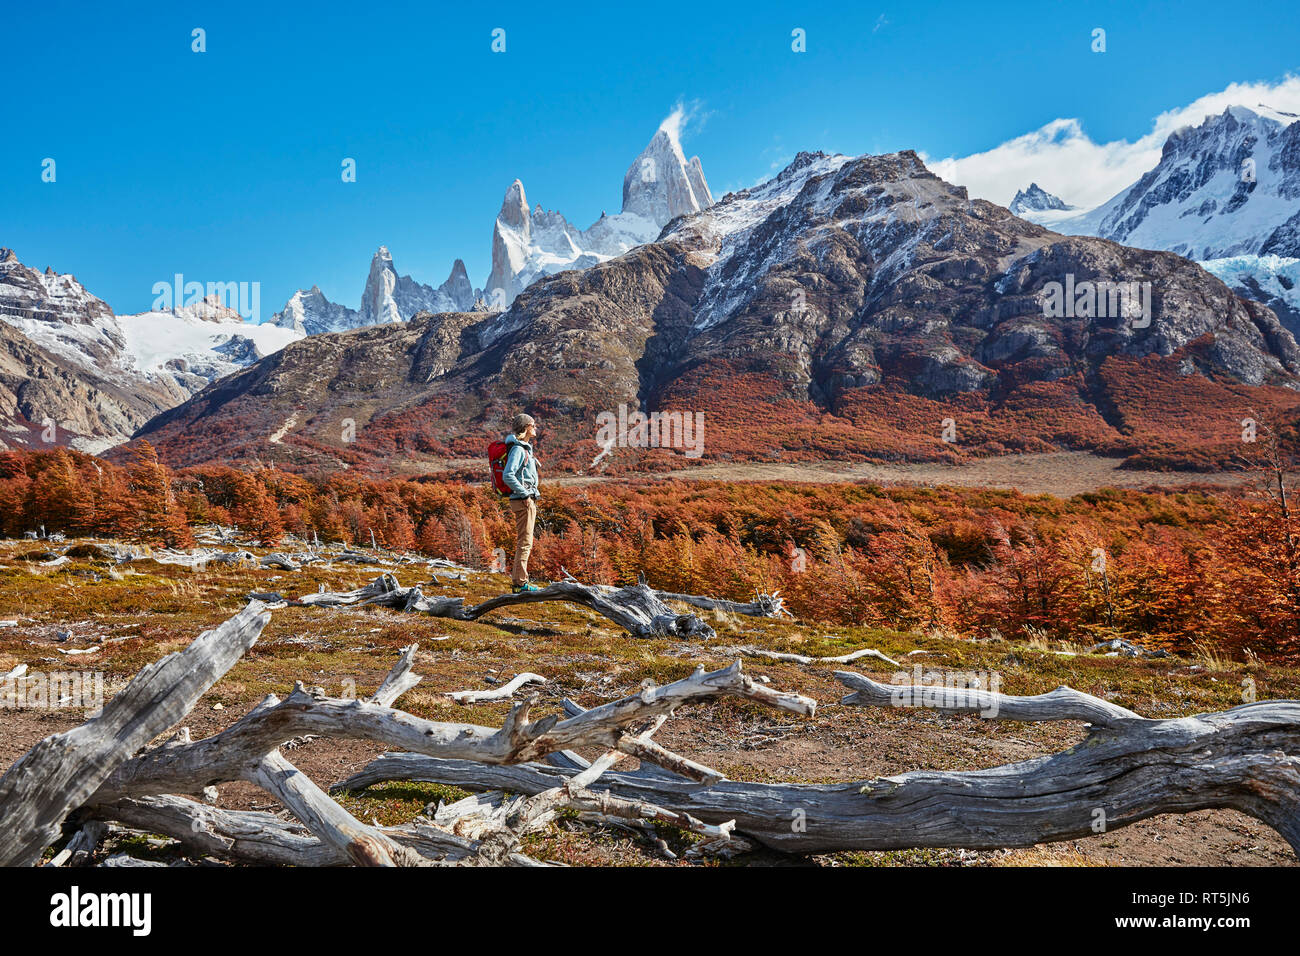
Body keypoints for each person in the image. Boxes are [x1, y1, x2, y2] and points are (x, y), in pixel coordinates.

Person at [502, 413, 541, 593]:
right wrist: (525, 494)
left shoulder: (522, 448)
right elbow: (508, 475)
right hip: (523, 501)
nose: (535, 428)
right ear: (526, 427)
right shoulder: (518, 449)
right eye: (533, 425)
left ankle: (520, 581)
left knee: (525, 541)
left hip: (524, 500)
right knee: (525, 542)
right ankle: (519, 584)